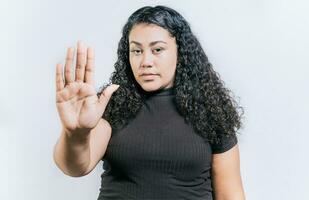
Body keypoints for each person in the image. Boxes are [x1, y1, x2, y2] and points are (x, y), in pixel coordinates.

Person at [53, 5, 245, 200]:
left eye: (157, 49)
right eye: (136, 50)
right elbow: (76, 167)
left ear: (180, 51)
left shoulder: (211, 110)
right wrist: (75, 133)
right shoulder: (111, 103)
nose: (145, 61)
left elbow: (231, 194)